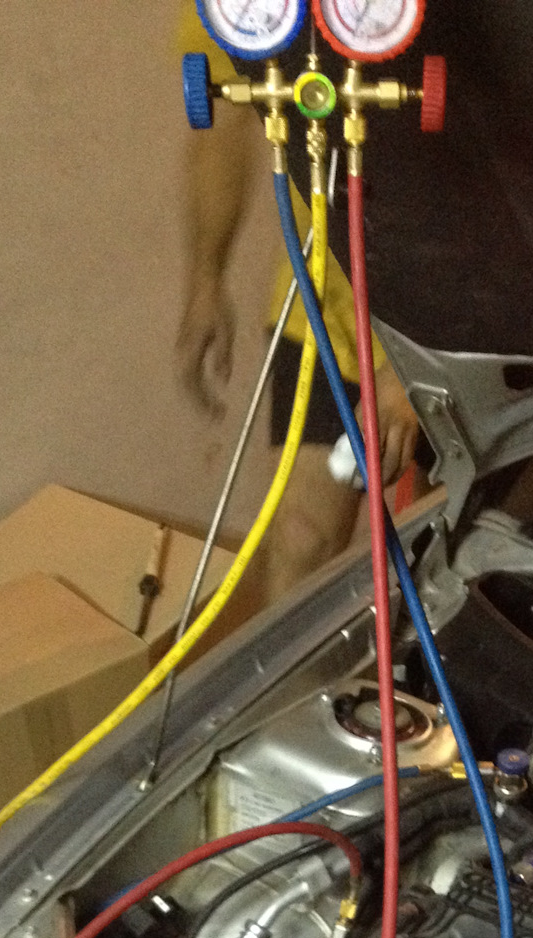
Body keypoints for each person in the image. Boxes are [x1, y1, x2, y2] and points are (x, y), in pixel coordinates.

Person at [174, 6, 423, 600]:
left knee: (452, 538)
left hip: (465, 303)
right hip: (326, 299)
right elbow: (225, 116)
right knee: (301, 537)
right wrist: (206, 278)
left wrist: (412, 357)